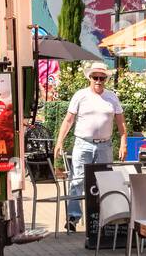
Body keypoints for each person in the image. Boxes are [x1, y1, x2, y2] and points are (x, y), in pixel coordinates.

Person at [53, 63, 127, 233]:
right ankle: (72, 217)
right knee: (77, 180)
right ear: (90, 78)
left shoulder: (112, 97)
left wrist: (123, 142)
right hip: (83, 143)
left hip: (104, 145)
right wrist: (59, 141)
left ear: (106, 79)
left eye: (102, 78)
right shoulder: (80, 95)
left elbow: (120, 121)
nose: (99, 81)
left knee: (105, 181)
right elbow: (68, 120)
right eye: (95, 77)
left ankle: (104, 217)